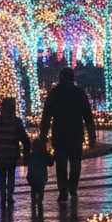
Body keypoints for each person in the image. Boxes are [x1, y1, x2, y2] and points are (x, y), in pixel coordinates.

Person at [39, 66, 96, 202]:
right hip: (75, 133)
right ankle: (72, 187)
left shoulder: (55, 93)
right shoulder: (79, 93)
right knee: (75, 162)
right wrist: (92, 136)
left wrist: (43, 136)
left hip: (59, 133)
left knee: (61, 164)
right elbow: (87, 116)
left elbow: (46, 116)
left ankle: (63, 190)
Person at [0, 96, 30, 209]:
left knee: (2, 175)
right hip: (12, 152)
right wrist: (26, 151)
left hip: (0, 152)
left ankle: (3, 196)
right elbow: (23, 137)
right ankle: (9, 196)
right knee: (11, 175)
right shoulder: (16, 121)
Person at [25, 136, 55, 214]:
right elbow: (50, 163)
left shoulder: (32, 156)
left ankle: (34, 202)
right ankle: (39, 202)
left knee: (33, 190)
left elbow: (26, 162)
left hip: (32, 177)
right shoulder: (44, 155)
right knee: (40, 190)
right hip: (42, 176)